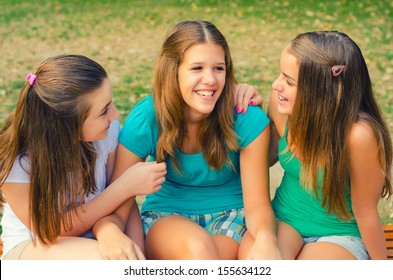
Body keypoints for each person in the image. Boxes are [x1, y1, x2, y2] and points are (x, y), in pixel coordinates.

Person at [94, 20, 281, 260]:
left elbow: (257, 204)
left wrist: (267, 241)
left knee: (231, 259)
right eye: (197, 68)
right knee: (198, 248)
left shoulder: (246, 117)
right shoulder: (147, 118)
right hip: (167, 214)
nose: (210, 80)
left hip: (232, 215)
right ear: (173, 71)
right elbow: (118, 198)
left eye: (218, 68)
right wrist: (108, 231)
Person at [0, 54, 167, 260]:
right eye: (104, 111)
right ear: (66, 126)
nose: (115, 115)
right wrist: (123, 187)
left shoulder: (106, 131)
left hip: (95, 239)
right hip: (34, 246)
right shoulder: (16, 160)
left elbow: (124, 203)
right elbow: (52, 230)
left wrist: (139, 258)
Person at [268, 31, 392, 260]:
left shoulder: (358, 136)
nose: (276, 85)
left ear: (321, 92)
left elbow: (366, 212)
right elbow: (265, 158)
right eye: (280, 74)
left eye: (289, 80)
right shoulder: (282, 105)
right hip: (283, 221)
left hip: (339, 235)